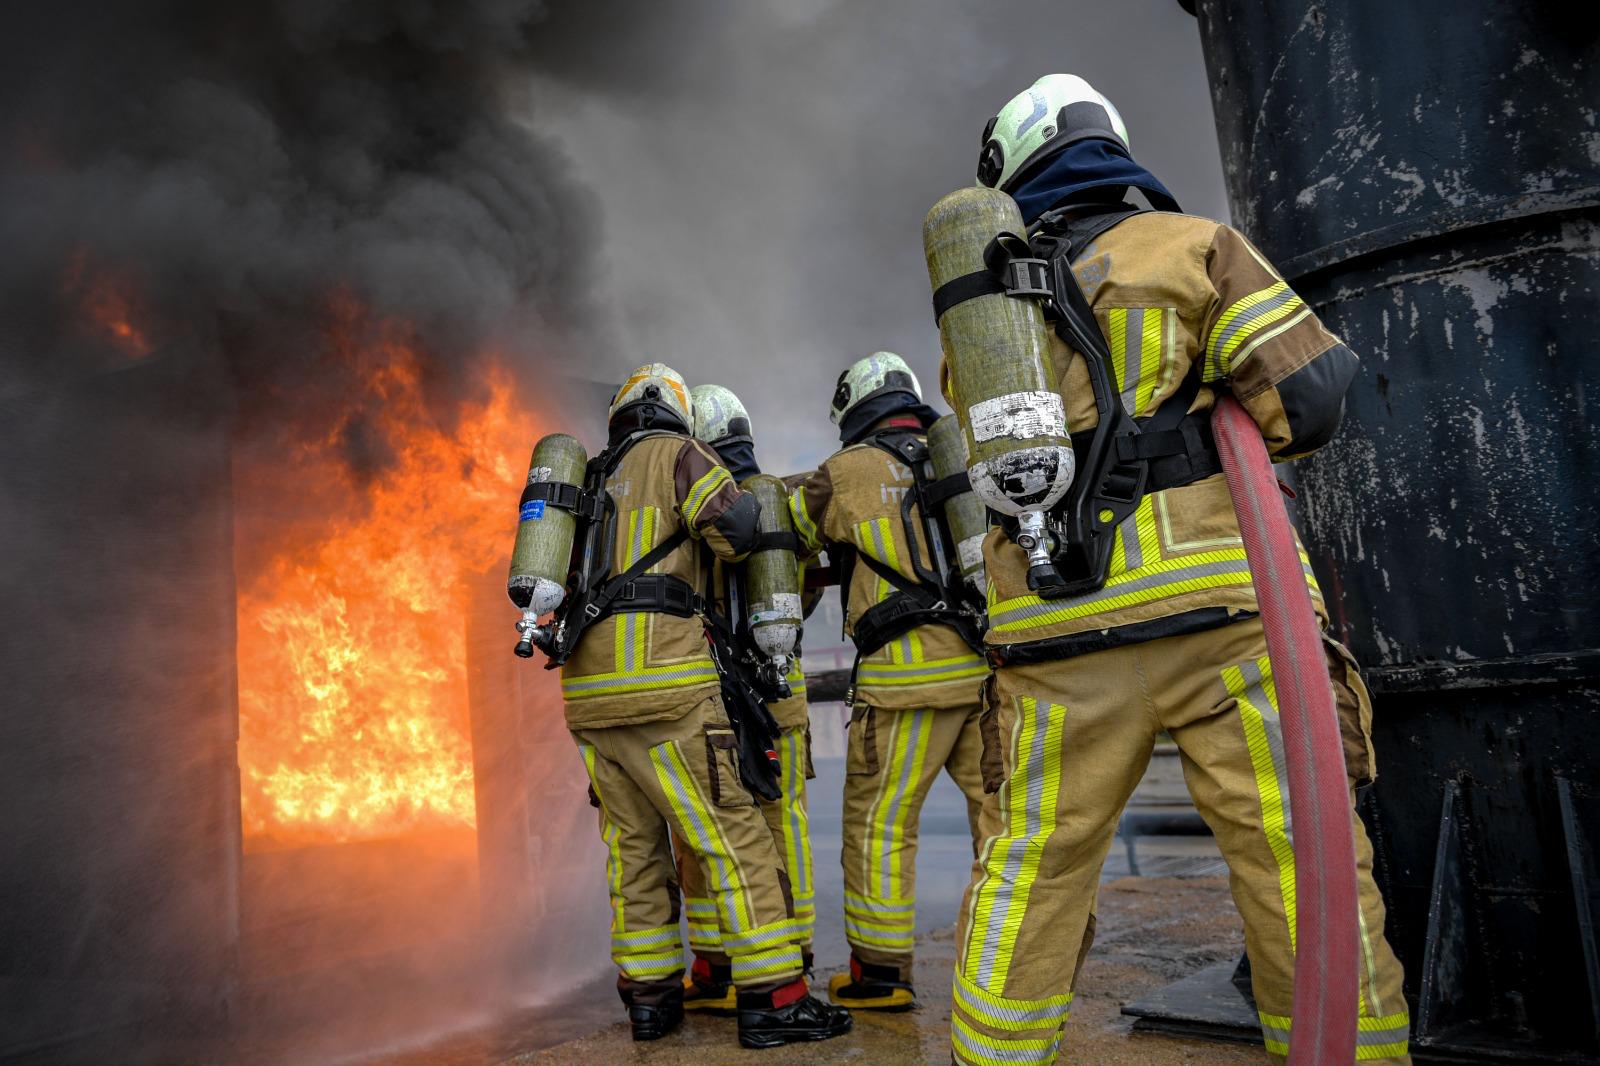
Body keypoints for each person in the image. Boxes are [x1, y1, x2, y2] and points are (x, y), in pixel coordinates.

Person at [946, 74, 1410, 1065]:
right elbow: (1313, 397)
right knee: (1300, 861)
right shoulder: (1193, 245)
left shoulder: (981, 315)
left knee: (1030, 867)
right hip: (1226, 625)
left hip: (1052, 632)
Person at [559, 364, 849, 1049]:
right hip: (666, 685)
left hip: (588, 697)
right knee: (733, 838)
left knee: (632, 852)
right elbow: (737, 531)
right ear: (675, 413)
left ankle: (650, 1003)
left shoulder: (590, 477)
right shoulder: (679, 454)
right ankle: (776, 999)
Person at [789, 351, 991, 1011]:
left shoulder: (844, 472)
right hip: (983, 671)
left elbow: (777, 538)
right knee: (1003, 823)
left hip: (903, 682)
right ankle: (1012, 965)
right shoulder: (961, 459)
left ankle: (880, 974)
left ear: (854, 408)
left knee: (880, 824)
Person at [676, 384, 818, 1015]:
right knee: (781, 822)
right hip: (776, 688)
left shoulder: (691, 495)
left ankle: (715, 965)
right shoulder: (778, 501)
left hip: (709, 693)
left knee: (704, 828)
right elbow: (803, 588)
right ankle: (796, 958)